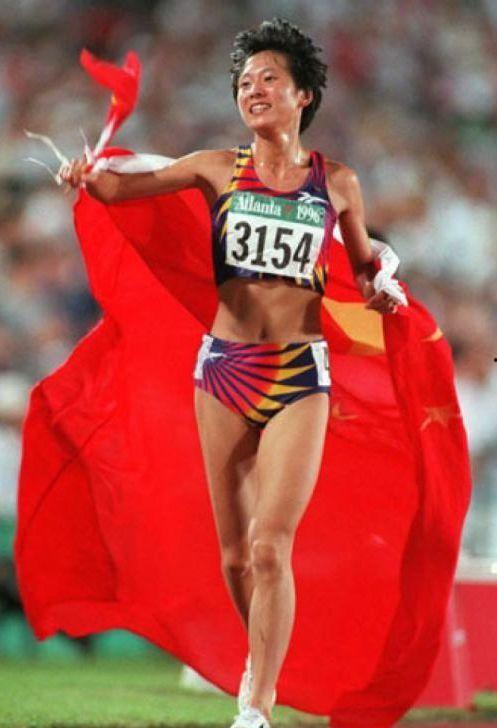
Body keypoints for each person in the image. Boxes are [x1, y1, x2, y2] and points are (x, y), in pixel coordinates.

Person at [61, 18, 404, 728]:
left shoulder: (337, 182)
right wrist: (85, 175)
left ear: (303, 95)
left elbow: (367, 263)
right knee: (234, 558)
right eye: (244, 82)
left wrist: (382, 286)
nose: (253, 90)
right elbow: (120, 191)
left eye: (269, 78)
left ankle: (258, 703)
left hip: (299, 374)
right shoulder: (217, 167)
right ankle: (261, 655)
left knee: (271, 547)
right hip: (223, 371)